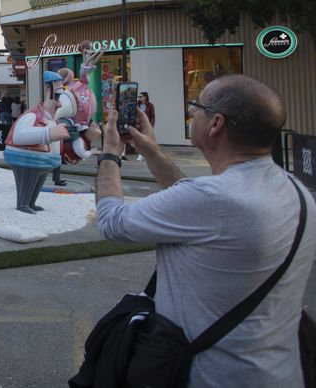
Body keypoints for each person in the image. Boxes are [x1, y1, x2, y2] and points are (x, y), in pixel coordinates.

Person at [95, 74, 316, 387]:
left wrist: (108, 154)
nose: (191, 113)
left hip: (208, 376)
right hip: (280, 371)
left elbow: (111, 222)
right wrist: (151, 151)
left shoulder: (212, 199)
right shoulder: (295, 190)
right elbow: (192, 199)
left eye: (195, 107)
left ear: (216, 124)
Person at [3, 72, 71, 213]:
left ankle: (31, 203)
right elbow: (18, 136)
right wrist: (47, 134)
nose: (60, 102)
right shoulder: (32, 115)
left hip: (45, 161)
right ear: (48, 88)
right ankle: (22, 204)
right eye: (58, 89)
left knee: (38, 180)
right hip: (27, 159)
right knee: (29, 179)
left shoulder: (52, 119)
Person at [135, 91, 155, 161]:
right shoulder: (137, 105)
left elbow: (153, 116)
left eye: (141, 97)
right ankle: (142, 154)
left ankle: (142, 154)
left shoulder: (150, 105)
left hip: (147, 125)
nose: (139, 98)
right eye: (139, 97)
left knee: (146, 140)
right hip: (139, 124)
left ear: (145, 97)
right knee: (139, 140)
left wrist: (152, 125)